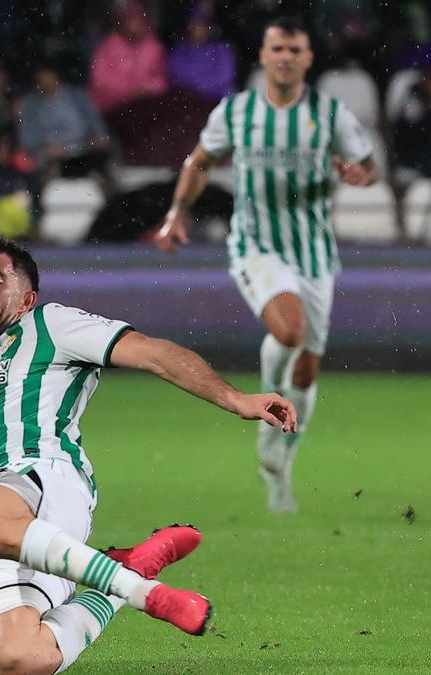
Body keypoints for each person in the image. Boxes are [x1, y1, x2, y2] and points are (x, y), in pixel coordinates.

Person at [0, 235, 297, 674]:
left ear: (27, 299)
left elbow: (154, 354)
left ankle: (145, 595)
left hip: (45, 479)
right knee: (19, 659)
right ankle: (124, 573)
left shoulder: (49, 326)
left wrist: (234, 398)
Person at [153, 16, 378, 513]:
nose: (286, 58)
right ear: (263, 55)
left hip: (313, 250)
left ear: (308, 58)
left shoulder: (329, 114)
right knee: (292, 331)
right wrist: (176, 214)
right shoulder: (237, 111)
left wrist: (360, 174)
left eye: (295, 50)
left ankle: (279, 464)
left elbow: (369, 165)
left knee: (309, 371)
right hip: (256, 244)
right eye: (278, 48)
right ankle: (270, 395)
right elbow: (199, 161)